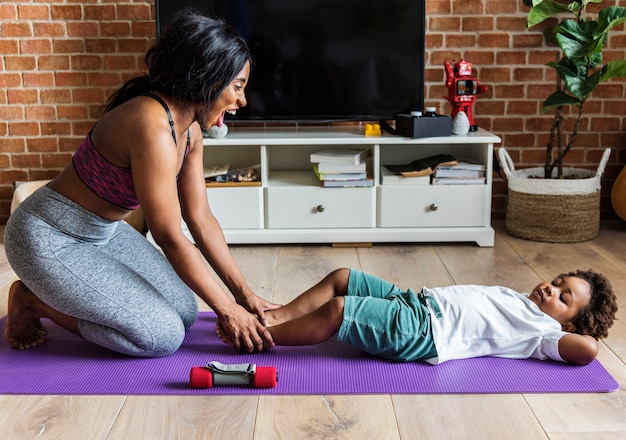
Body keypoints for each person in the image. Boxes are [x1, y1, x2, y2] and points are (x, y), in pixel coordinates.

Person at [3, 9, 280, 357]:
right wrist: (227, 310)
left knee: (186, 311)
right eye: (237, 86)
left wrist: (243, 296)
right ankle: (32, 302)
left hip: (105, 233)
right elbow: (168, 235)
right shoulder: (150, 124)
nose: (242, 100)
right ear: (209, 76)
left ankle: (50, 297)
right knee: (160, 337)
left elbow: (201, 218)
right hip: (48, 237)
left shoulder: (191, 132)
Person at [217, 268, 617, 366]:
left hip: (426, 332)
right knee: (344, 278)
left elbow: (587, 351)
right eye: (556, 281)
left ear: (567, 324)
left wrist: (574, 333)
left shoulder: (544, 332)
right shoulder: (525, 303)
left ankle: (261, 337)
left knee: (340, 311)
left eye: (563, 298)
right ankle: (273, 317)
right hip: (415, 303)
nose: (550, 289)